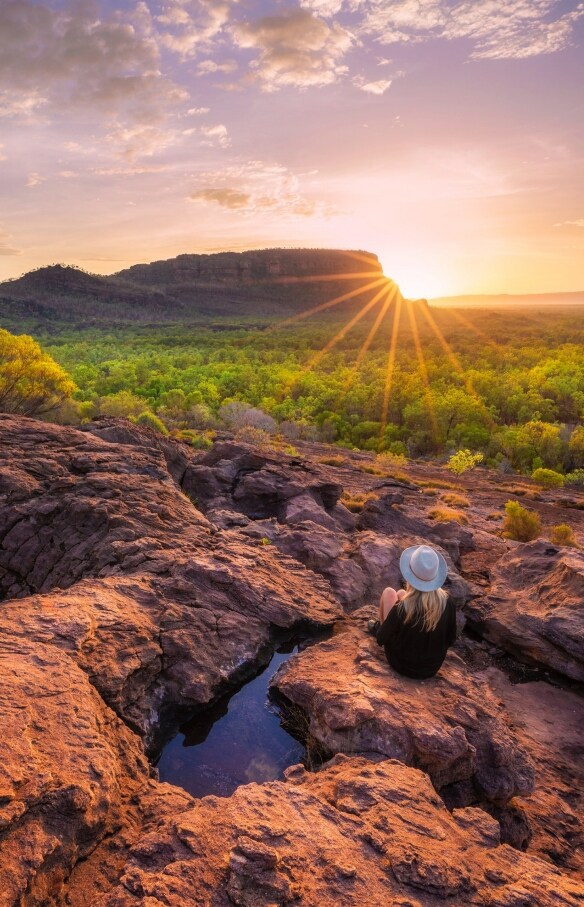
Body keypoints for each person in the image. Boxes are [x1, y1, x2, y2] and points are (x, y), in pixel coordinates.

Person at [368, 544, 456, 679]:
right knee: (402, 593)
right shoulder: (447, 602)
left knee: (389, 592)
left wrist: (381, 630)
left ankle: (383, 626)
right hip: (431, 669)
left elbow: (380, 639)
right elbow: (451, 638)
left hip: (402, 665)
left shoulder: (402, 608)